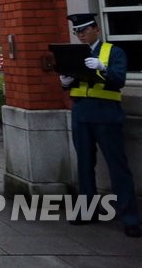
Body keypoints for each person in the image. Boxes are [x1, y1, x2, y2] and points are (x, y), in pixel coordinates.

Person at [59, 13, 140, 237]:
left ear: (96, 29)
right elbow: (73, 80)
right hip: (81, 113)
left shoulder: (113, 52)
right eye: (77, 32)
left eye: (84, 30)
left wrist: (103, 67)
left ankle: (130, 217)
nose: (81, 35)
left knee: (118, 167)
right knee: (84, 166)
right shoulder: (76, 53)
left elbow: (119, 79)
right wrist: (65, 81)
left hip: (106, 113)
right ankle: (87, 212)